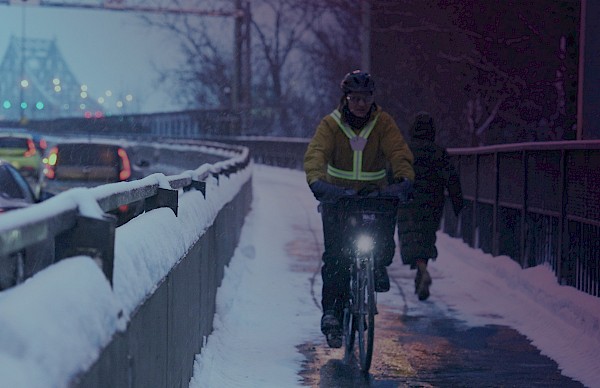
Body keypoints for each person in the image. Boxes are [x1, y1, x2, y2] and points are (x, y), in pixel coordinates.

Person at [304, 70, 415, 348]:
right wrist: (317, 181)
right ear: (346, 99)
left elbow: (398, 152)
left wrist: (403, 179)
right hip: (338, 199)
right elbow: (316, 153)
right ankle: (332, 316)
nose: (360, 104)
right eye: (355, 98)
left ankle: (377, 266)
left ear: (372, 99)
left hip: (373, 197)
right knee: (336, 258)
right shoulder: (331, 125)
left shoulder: (383, 123)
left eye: (365, 98)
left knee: (383, 244)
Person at [397, 112, 464, 301]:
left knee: (409, 237)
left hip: (408, 201)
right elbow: (451, 178)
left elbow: (392, 172)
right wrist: (457, 202)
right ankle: (422, 269)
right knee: (426, 238)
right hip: (432, 203)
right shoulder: (438, 152)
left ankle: (420, 269)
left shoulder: (405, 151)